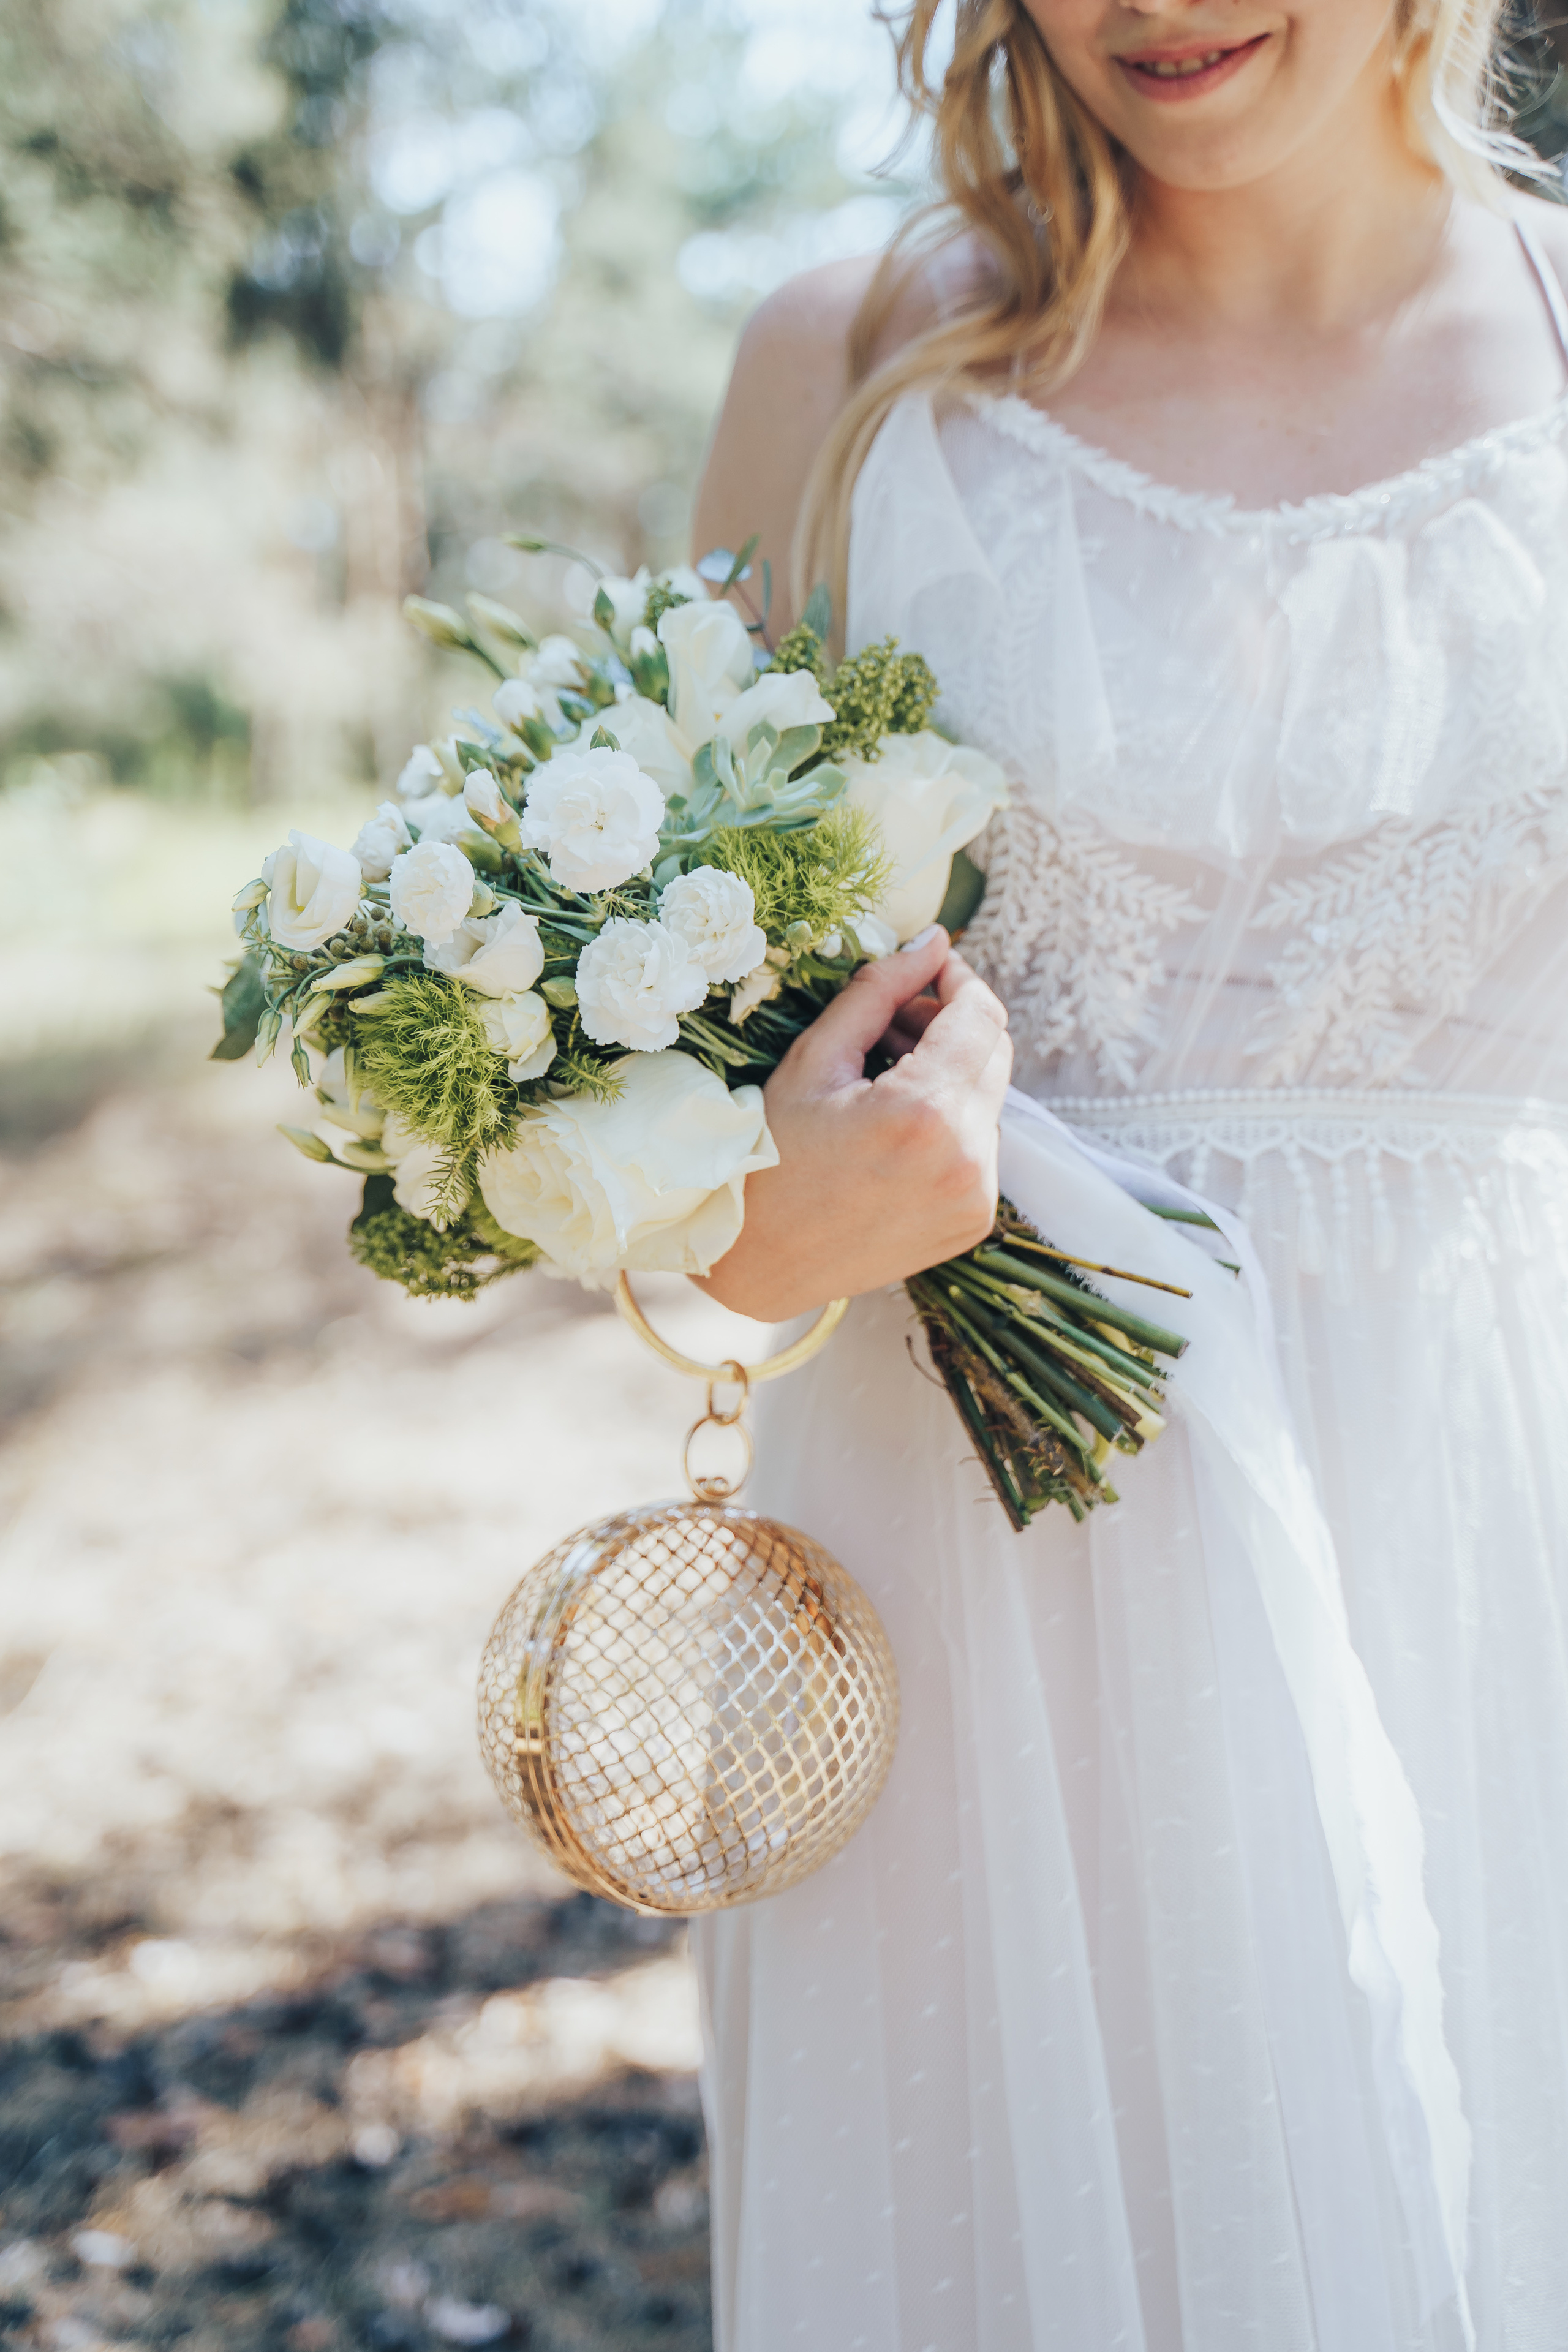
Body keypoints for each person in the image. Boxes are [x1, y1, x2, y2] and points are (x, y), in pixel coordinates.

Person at [684, 0, 1568, 2344]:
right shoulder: (851, 371)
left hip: (1499, 1554)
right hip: (987, 1582)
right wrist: (778, 1226)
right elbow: (670, 1146)